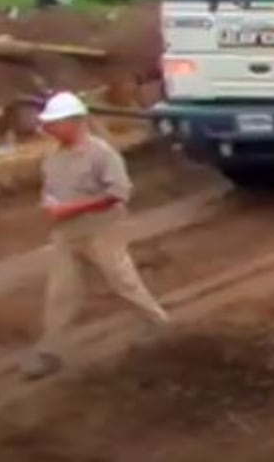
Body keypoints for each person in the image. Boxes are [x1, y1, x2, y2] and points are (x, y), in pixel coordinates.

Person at [23, 92, 171, 379]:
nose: (49, 129)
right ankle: (51, 351)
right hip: (66, 234)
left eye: (55, 123)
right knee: (60, 294)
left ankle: (160, 325)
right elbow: (49, 194)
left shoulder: (101, 154)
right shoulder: (52, 159)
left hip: (102, 230)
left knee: (124, 282)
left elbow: (119, 193)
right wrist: (53, 208)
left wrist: (73, 208)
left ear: (74, 122)